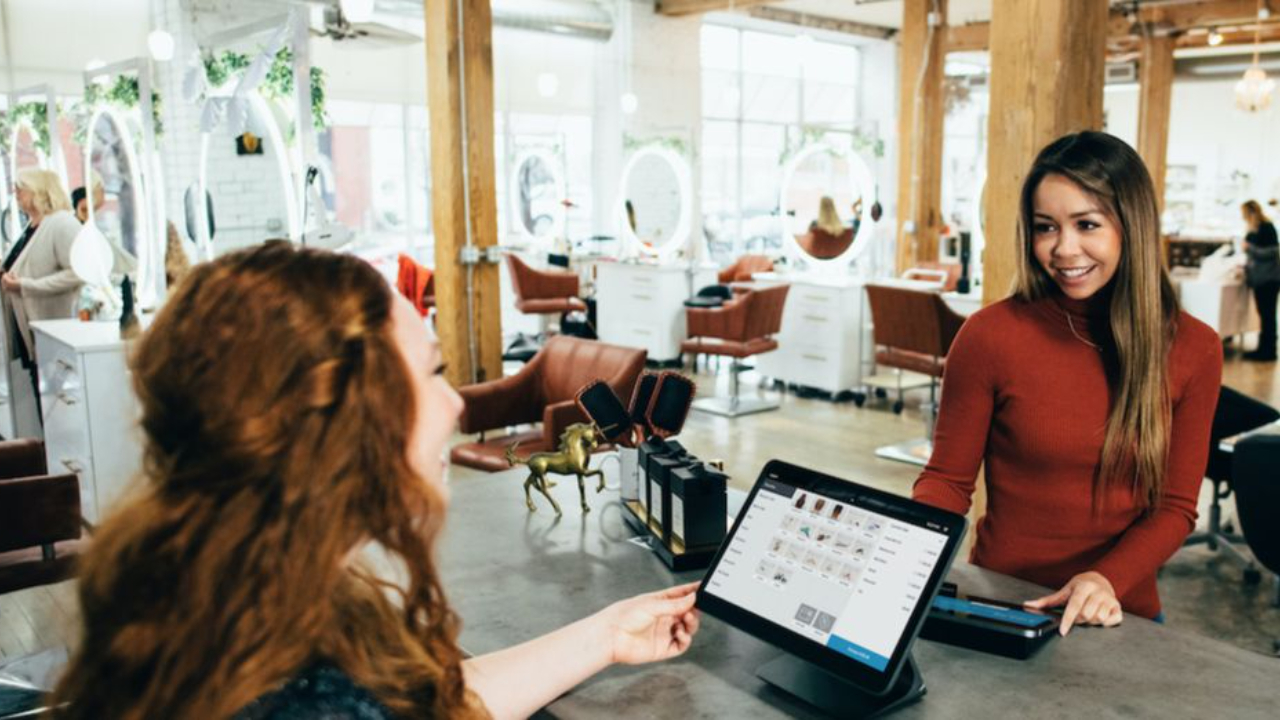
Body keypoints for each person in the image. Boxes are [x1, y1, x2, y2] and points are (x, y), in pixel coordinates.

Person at [50, 242, 701, 719]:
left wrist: (604, 638)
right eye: (431, 372)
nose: (454, 406)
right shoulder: (306, 700)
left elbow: (431, 705)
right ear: (337, 421)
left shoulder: (224, 591)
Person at [912, 132, 1222, 635]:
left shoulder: (1194, 348)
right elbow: (947, 481)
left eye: (1087, 224)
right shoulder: (991, 336)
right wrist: (906, 550)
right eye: (1045, 227)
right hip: (1001, 603)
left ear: (1131, 226)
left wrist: (1104, 579)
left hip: (1119, 614)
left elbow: (1176, 508)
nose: (1062, 248)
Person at [2, 168, 84, 362]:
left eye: (21, 188)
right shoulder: (31, 226)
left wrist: (25, 285)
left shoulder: (63, 224)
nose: (16, 194)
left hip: (53, 328)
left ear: (39, 190)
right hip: (26, 324)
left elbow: (77, 273)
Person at [1241, 199, 1278, 361]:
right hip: (1259, 279)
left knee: (1268, 315)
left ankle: (1268, 351)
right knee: (1264, 315)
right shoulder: (1251, 231)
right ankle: (1263, 348)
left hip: (1269, 279)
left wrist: (1250, 249)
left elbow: (1273, 252)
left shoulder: (1266, 228)